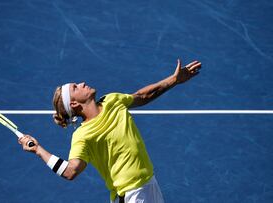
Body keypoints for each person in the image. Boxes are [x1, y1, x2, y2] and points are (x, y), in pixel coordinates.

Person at [18, 59, 201, 203]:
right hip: (130, 195)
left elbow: (143, 95)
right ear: (74, 103)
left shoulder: (112, 100)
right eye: (76, 87)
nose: (82, 83)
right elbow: (70, 171)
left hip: (149, 184)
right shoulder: (83, 135)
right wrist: (38, 150)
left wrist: (174, 80)